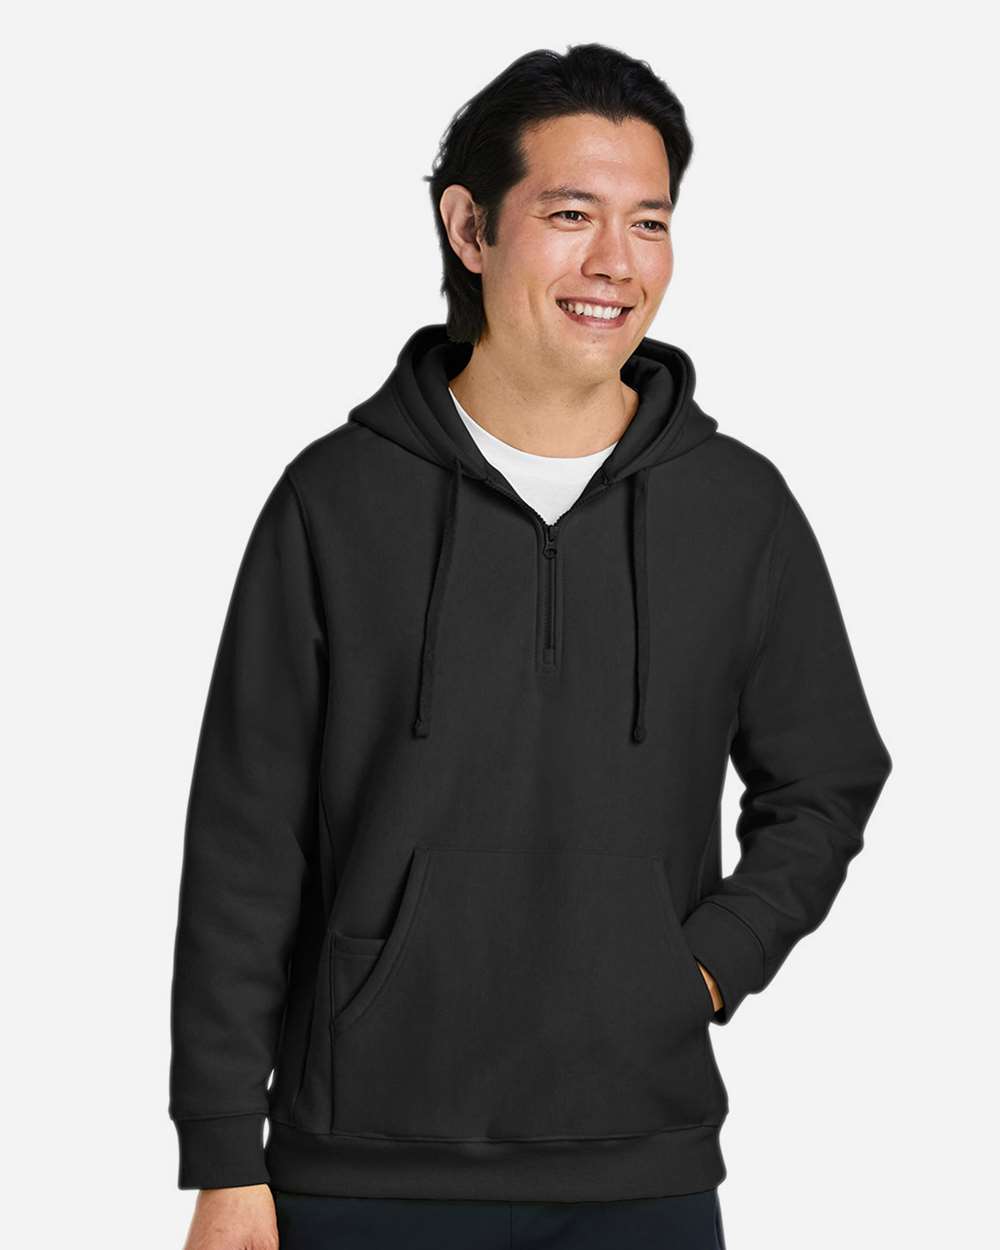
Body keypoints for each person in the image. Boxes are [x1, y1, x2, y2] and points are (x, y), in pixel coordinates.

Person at [169, 42, 892, 1250]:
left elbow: (825, 777)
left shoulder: (737, 508)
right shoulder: (335, 500)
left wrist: (704, 964)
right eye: (570, 214)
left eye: (648, 221)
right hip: (360, 1166)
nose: (615, 261)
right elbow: (246, 836)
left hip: (641, 1162)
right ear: (470, 227)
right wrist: (221, 1151)